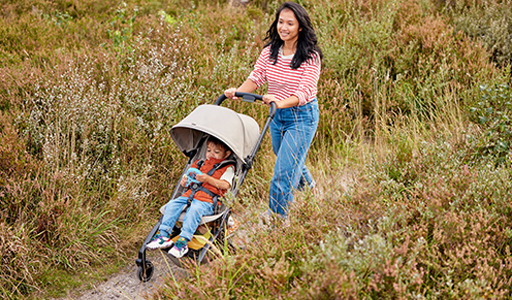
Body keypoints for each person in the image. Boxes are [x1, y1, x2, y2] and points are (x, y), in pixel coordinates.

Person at [224, 1, 322, 218]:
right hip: (277, 116)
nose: (283, 27)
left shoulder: (311, 56)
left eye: (290, 23)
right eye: (280, 22)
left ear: (300, 27)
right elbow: (257, 76)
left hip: (302, 117)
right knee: (285, 157)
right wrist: (238, 92)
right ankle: (309, 187)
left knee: (282, 173)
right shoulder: (270, 51)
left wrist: (279, 101)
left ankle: (277, 220)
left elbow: (304, 92)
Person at [146, 136, 235, 258]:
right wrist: (185, 181)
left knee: (194, 210)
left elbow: (225, 185)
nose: (211, 155)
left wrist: (207, 179)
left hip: (207, 201)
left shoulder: (227, 168)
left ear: (226, 154)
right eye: (208, 151)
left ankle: (183, 241)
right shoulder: (199, 163)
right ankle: (163, 235)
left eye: (216, 152)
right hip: (189, 195)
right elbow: (188, 180)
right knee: (171, 205)